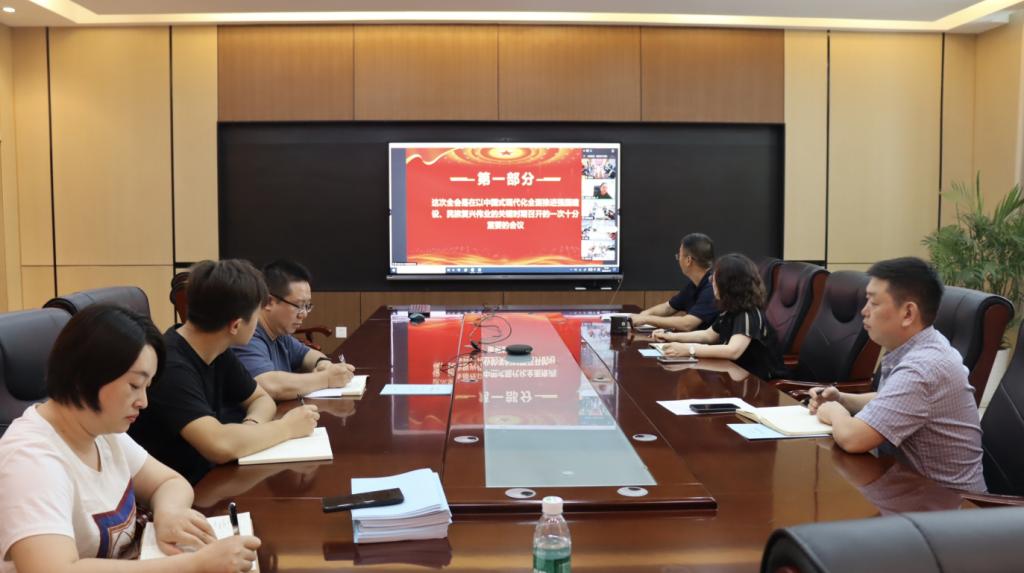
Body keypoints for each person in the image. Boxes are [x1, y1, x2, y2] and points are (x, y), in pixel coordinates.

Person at [0, 305, 260, 572]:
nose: (143, 402)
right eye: (135, 385)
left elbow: (169, 482)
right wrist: (195, 564)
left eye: (147, 387)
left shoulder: (100, 429)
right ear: (85, 374)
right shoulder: (30, 460)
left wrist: (169, 513)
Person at [129, 259, 320, 485]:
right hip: (186, 487)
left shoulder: (216, 348)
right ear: (236, 325)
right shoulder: (170, 366)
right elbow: (219, 446)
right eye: (256, 316)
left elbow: (261, 399)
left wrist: (250, 430)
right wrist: (286, 428)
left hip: (217, 477)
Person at [808, 257, 985, 492]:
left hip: (950, 505)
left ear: (908, 313)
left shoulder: (923, 368)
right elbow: (892, 399)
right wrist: (842, 399)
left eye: (873, 302)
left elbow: (853, 438)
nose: (864, 311)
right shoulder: (924, 344)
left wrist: (834, 411)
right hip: (912, 490)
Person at [233, 260, 355, 401]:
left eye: (307, 306)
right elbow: (267, 385)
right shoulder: (246, 336)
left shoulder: (279, 333)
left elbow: (307, 354)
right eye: (299, 305)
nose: (304, 314)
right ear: (268, 302)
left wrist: (323, 364)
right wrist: (326, 378)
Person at [653, 253, 785, 380]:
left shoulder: (748, 313)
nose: (712, 283)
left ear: (728, 284)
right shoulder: (730, 309)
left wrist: (689, 350)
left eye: (714, 279)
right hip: (737, 375)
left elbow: (733, 351)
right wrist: (670, 336)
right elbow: (708, 335)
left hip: (760, 384)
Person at [631, 233, 719, 331]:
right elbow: (668, 307)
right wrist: (645, 314)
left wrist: (647, 319)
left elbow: (687, 324)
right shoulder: (694, 285)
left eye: (679, 256)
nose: (678, 260)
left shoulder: (712, 287)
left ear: (688, 260)